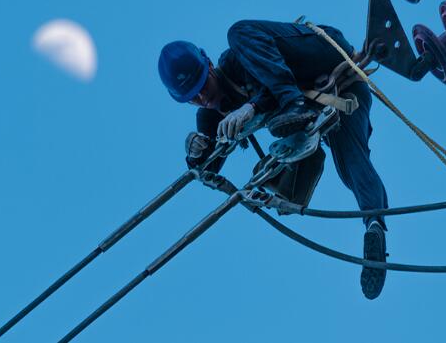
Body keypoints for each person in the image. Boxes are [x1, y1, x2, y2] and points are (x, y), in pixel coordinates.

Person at [158, 20, 389, 300]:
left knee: (237, 32)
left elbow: (276, 74)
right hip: (328, 101)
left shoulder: (238, 59)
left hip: (324, 59)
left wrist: (252, 107)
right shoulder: (209, 115)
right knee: (346, 162)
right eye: (192, 97)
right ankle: (373, 228)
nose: (203, 97)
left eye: (202, 84)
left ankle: (294, 104)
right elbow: (207, 167)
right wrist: (195, 155)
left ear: (208, 65)